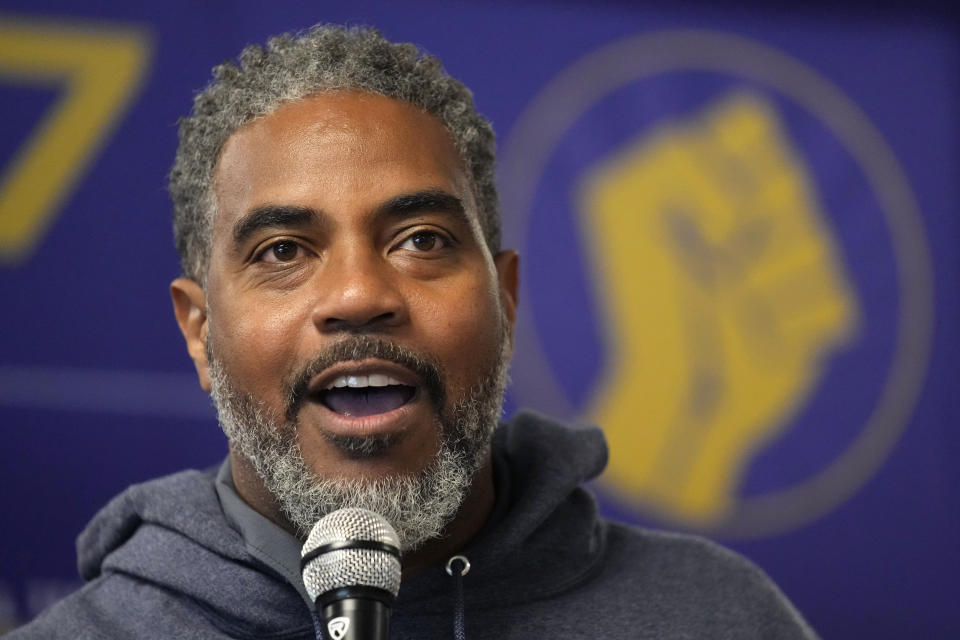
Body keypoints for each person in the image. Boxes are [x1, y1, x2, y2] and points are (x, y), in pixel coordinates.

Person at [9, 25, 818, 639]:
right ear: (199, 333)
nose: (360, 294)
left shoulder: (719, 616)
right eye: (284, 251)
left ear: (504, 300)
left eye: (422, 240)